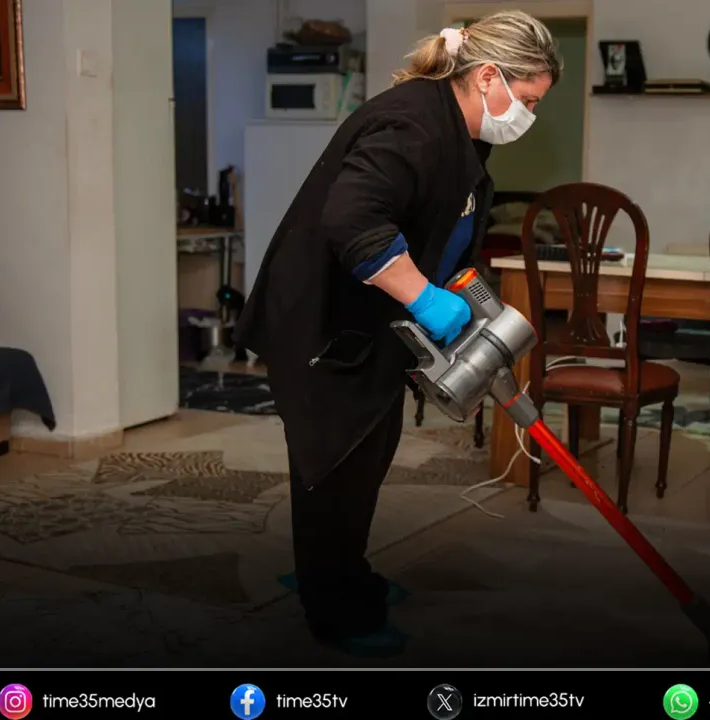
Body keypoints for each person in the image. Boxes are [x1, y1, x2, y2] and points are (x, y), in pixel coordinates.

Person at [234, 11, 561, 658]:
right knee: (333, 467)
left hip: (369, 325)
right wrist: (425, 299)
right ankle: (334, 609)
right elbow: (354, 221)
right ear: (487, 76)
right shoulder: (412, 124)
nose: (527, 115)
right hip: (322, 324)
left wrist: (450, 288)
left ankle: (343, 574)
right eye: (526, 100)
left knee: (369, 455)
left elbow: (438, 215)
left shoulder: (459, 128)